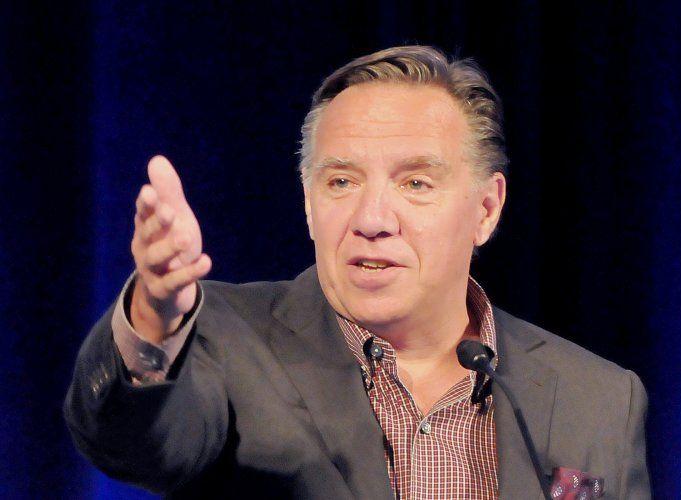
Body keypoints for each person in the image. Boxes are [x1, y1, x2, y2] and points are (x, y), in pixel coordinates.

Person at [64, 46, 651, 499]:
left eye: (415, 183)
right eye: (341, 181)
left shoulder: (598, 399)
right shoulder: (221, 340)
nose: (372, 220)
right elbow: (130, 442)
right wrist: (155, 319)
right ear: (307, 202)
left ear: (486, 209)